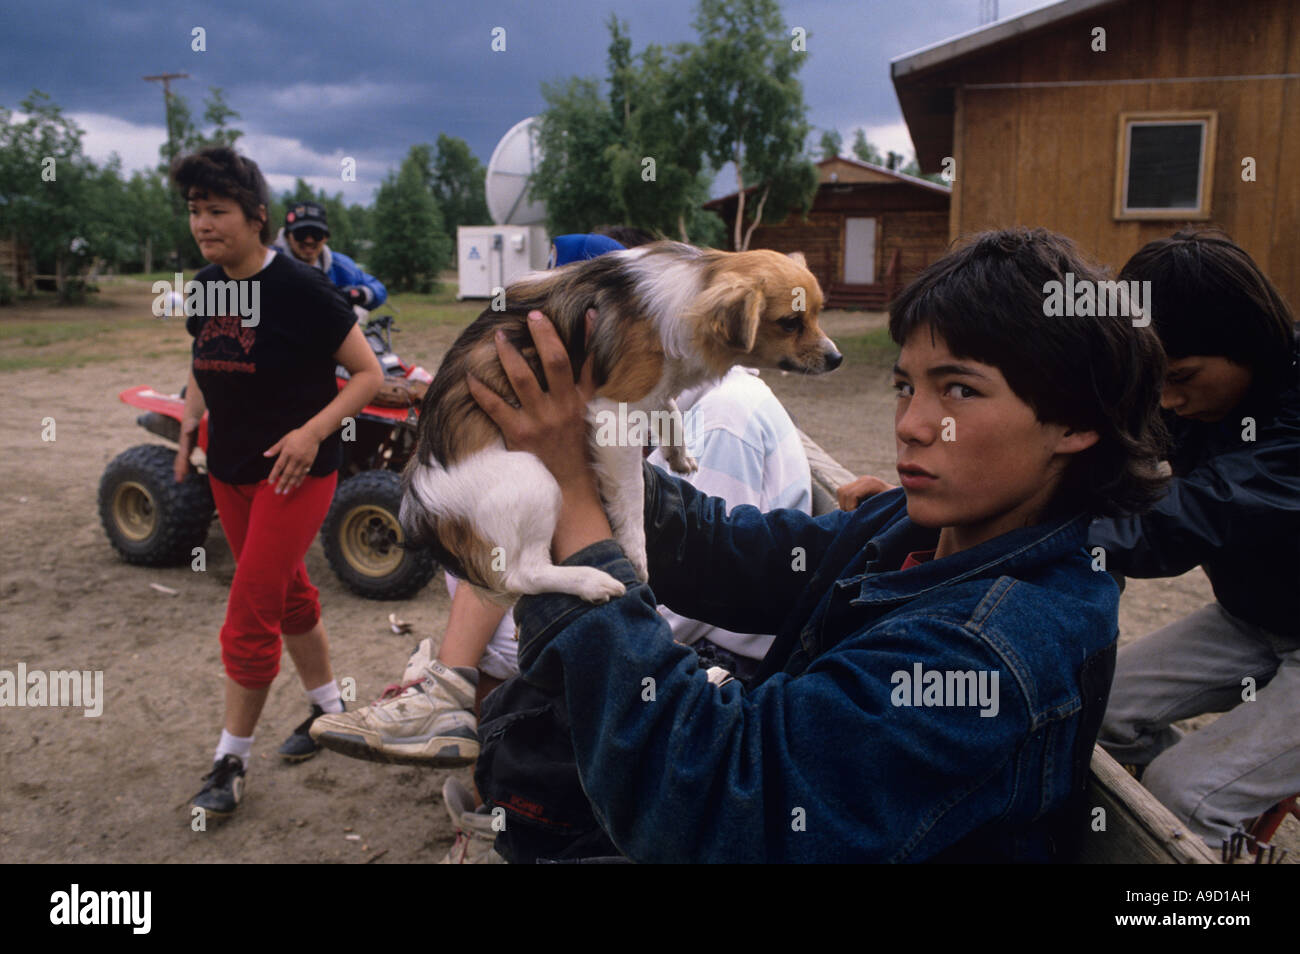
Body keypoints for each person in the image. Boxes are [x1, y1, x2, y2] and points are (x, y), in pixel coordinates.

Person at [464, 227, 1169, 862]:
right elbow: (741, 555)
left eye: (958, 390)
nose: (913, 424)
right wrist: (586, 447)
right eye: (904, 385)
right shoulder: (919, 531)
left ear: (1075, 424)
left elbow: (718, 800)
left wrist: (579, 514)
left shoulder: (991, 653)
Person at [172, 146, 383, 818]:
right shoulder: (205, 286)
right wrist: (186, 433)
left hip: (295, 472)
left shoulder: (300, 289)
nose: (204, 223)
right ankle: (329, 709)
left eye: (218, 210)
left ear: (257, 218)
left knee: (249, 612)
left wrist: (312, 431)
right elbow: (202, 363)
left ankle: (230, 759)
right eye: (195, 211)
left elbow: (370, 376)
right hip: (228, 468)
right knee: (288, 595)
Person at [1091, 228, 1300, 848]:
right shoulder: (1192, 395)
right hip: (1252, 617)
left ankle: (1201, 908)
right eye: (1153, 376)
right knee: (1091, 713)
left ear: (1248, 344)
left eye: (1180, 375)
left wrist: (1036, 533)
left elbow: (1189, 518)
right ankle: (1221, 810)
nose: (1165, 400)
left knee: (1186, 794)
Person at [272, 200, 387, 312]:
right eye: (301, 234)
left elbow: (379, 289)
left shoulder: (340, 265)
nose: (309, 240)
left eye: (317, 234)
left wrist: (359, 294)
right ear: (287, 236)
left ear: (326, 237)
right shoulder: (269, 264)